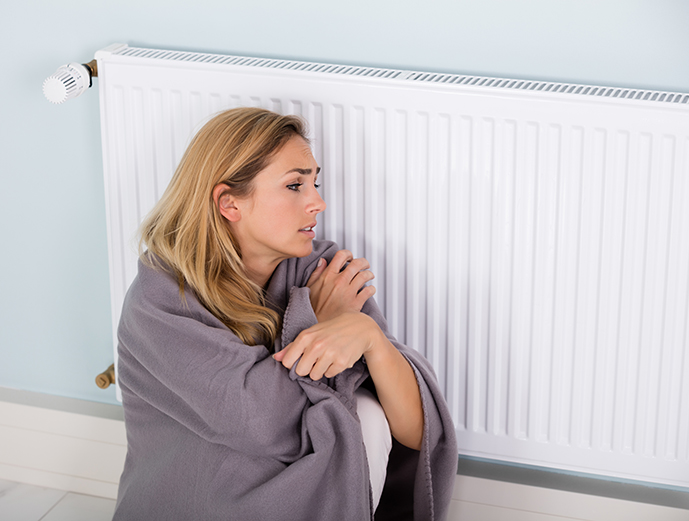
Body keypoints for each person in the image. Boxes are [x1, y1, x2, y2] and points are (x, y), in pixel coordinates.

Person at [112, 107, 457, 521]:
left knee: (366, 410)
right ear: (229, 203)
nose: (318, 202)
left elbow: (418, 434)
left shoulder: (323, 271)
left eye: (315, 182)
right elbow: (265, 423)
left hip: (289, 487)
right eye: (295, 185)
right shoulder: (163, 297)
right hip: (195, 499)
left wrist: (371, 338)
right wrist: (314, 319)